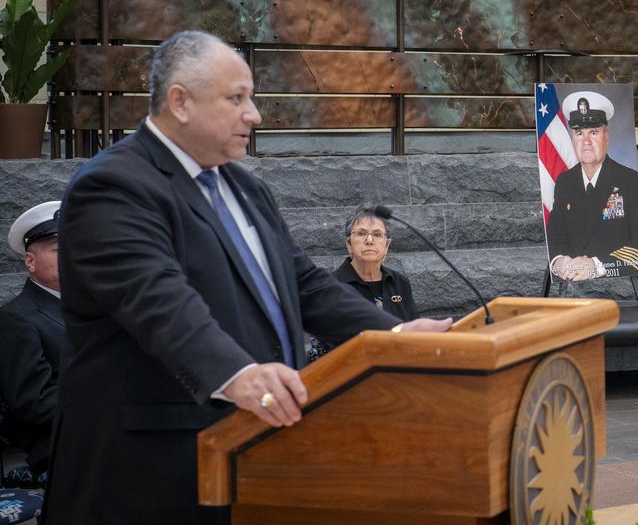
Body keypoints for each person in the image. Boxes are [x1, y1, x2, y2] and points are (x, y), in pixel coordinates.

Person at [43, 31, 451, 525]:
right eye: (237, 98)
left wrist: (397, 334)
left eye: (251, 98)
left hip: (257, 454)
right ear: (181, 102)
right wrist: (238, 375)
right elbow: (159, 302)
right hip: (151, 469)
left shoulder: (242, 184)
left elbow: (302, 283)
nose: (254, 114)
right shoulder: (113, 186)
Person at [546, 91, 638, 281]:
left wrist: (597, 265)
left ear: (606, 138)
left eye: (593, 132)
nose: (585, 142)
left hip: (611, 272)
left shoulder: (629, 180)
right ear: (573, 139)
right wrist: (558, 261)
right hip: (572, 274)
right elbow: (554, 232)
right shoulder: (564, 182)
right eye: (579, 133)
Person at [0, 201, 67, 478]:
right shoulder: (17, 318)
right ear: (30, 262)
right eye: (59, 250)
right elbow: (33, 404)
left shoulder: (92, 307)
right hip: (62, 448)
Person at [333, 205, 419, 322]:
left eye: (377, 234)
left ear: (387, 245)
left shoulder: (400, 283)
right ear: (349, 244)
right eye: (361, 233)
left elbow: (413, 330)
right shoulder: (333, 286)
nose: (369, 241)